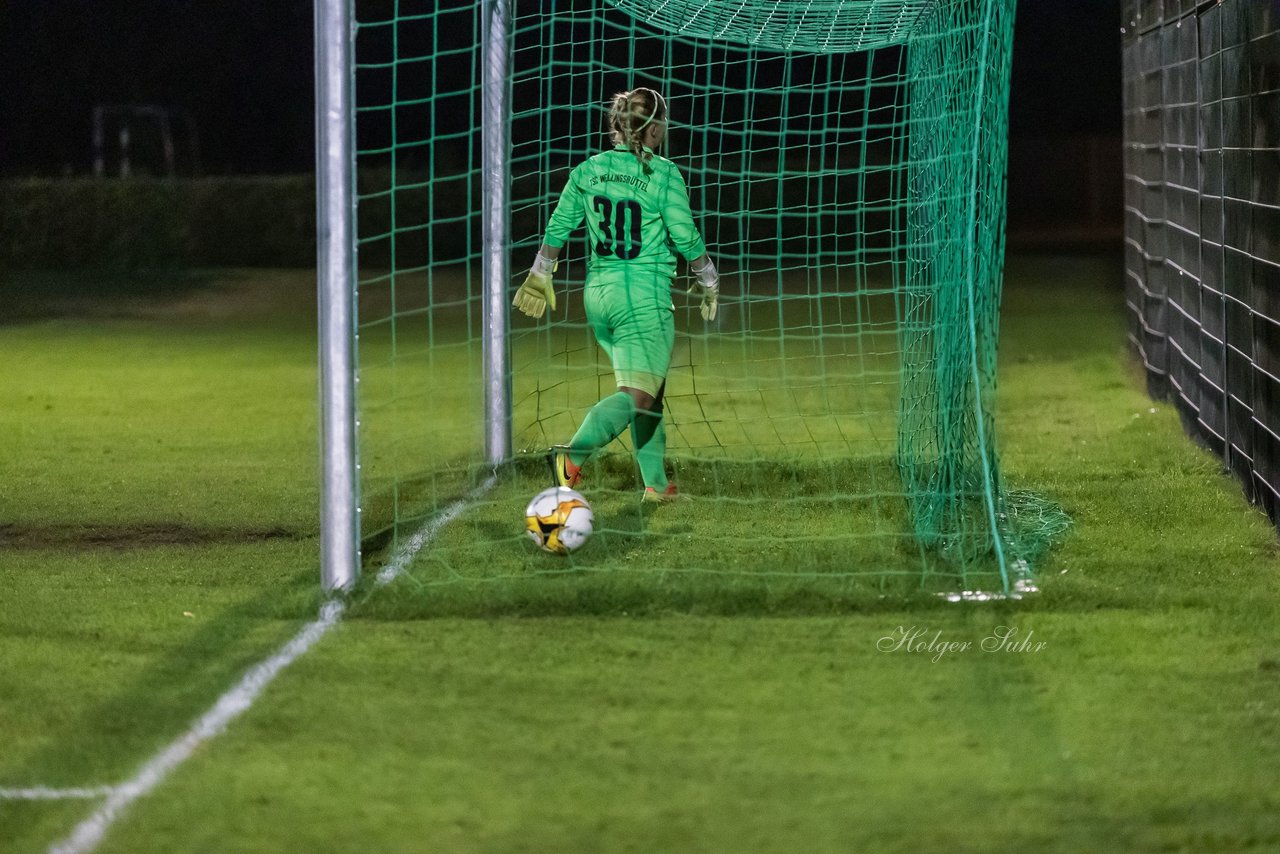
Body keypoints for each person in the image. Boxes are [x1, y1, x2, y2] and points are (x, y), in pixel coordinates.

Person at [512, 86, 719, 503]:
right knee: (637, 394)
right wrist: (709, 279)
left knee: (649, 391)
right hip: (641, 298)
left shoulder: (587, 171)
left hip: (599, 297)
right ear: (655, 129)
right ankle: (571, 457)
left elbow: (558, 226)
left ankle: (657, 486)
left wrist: (539, 273)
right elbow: (685, 235)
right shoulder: (663, 173)